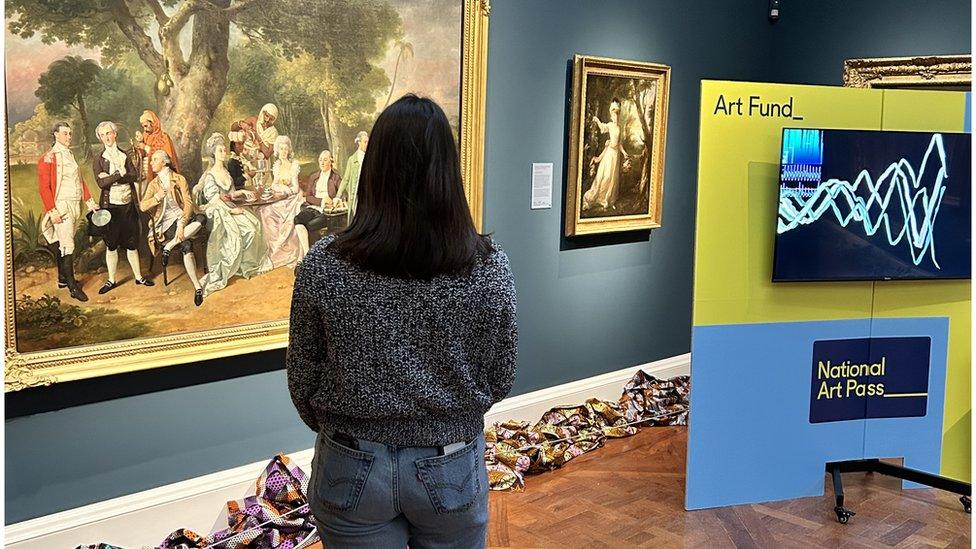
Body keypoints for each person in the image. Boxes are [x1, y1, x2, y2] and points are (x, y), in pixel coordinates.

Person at [286, 95, 518, 548]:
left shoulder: (323, 266)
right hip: (449, 460)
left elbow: (302, 378)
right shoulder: (489, 268)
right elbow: (500, 376)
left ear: (372, 169)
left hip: (350, 462)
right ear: (448, 173)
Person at [196, 133, 272, 296]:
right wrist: (231, 210)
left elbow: (231, 193)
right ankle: (235, 266)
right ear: (214, 154)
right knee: (241, 231)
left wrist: (243, 192)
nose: (224, 152)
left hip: (229, 205)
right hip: (218, 211)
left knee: (254, 226)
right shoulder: (210, 175)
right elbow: (215, 200)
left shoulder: (225, 171)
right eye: (221, 150)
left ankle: (246, 265)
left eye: (224, 150)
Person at [38, 122, 98, 302]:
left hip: (73, 204)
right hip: (61, 205)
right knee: (67, 244)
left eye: (70, 134)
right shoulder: (48, 157)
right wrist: (52, 210)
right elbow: (44, 188)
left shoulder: (70, 154)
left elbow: (80, 181)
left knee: (64, 240)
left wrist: (89, 201)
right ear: (55, 134)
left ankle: (62, 278)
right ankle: (72, 286)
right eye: (65, 133)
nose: (69, 137)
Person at [92, 121, 154, 293]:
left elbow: (133, 175)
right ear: (100, 137)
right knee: (111, 245)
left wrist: (113, 177)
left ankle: (139, 277)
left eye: (109, 133)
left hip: (128, 205)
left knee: (132, 243)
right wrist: (119, 174)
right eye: (103, 135)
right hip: (111, 207)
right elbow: (101, 183)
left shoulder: (124, 155)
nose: (107, 137)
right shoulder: (98, 158)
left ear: (115, 134)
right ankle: (111, 280)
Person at [140, 150, 207, 306]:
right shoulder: (153, 184)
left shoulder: (179, 179)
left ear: (164, 162)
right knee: (186, 244)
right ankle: (197, 287)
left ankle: (169, 246)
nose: (151, 163)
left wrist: (182, 224)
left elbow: (188, 203)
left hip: (183, 217)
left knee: (202, 218)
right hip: (166, 223)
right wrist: (157, 197)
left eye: (154, 160)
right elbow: (143, 206)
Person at [256, 135, 303, 268]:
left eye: (285, 149)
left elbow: (295, 188)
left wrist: (286, 189)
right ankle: (273, 248)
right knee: (264, 210)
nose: (283, 152)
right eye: (281, 149)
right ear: (277, 150)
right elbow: (274, 185)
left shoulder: (293, 165)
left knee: (288, 218)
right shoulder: (276, 165)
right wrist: (280, 187)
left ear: (288, 151)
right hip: (280, 198)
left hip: (291, 199)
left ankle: (285, 250)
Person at [582, 99, 629, 211]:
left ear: (618, 116)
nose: (615, 117)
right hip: (609, 153)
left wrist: (625, 153)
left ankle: (607, 200)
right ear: (611, 116)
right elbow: (602, 128)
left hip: (616, 154)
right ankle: (595, 198)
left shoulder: (619, 128)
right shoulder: (610, 125)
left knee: (612, 178)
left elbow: (620, 144)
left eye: (616, 115)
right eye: (613, 115)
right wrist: (597, 120)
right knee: (605, 176)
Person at [294, 149, 343, 259]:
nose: (322, 162)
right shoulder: (314, 177)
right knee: (297, 220)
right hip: (313, 207)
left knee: (310, 225)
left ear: (331, 162)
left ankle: (311, 256)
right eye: (320, 160)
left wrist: (335, 200)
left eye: (325, 160)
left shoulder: (335, 178)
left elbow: (342, 194)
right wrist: (321, 200)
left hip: (326, 212)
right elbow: (308, 196)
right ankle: (307, 253)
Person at [138, 110, 180, 186]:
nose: (144, 129)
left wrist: (146, 148)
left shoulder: (164, 137)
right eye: (143, 126)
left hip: (160, 174)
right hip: (146, 173)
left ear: (153, 124)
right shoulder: (145, 136)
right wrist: (140, 142)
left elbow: (165, 157)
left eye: (146, 126)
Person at [336, 130, 368, 223]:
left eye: (368, 142)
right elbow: (346, 179)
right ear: (359, 143)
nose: (367, 144)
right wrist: (338, 196)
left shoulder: (371, 158)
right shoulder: (352, 160)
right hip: (355, 196)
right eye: (365, 142)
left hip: (367, 196)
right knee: (355, 220)